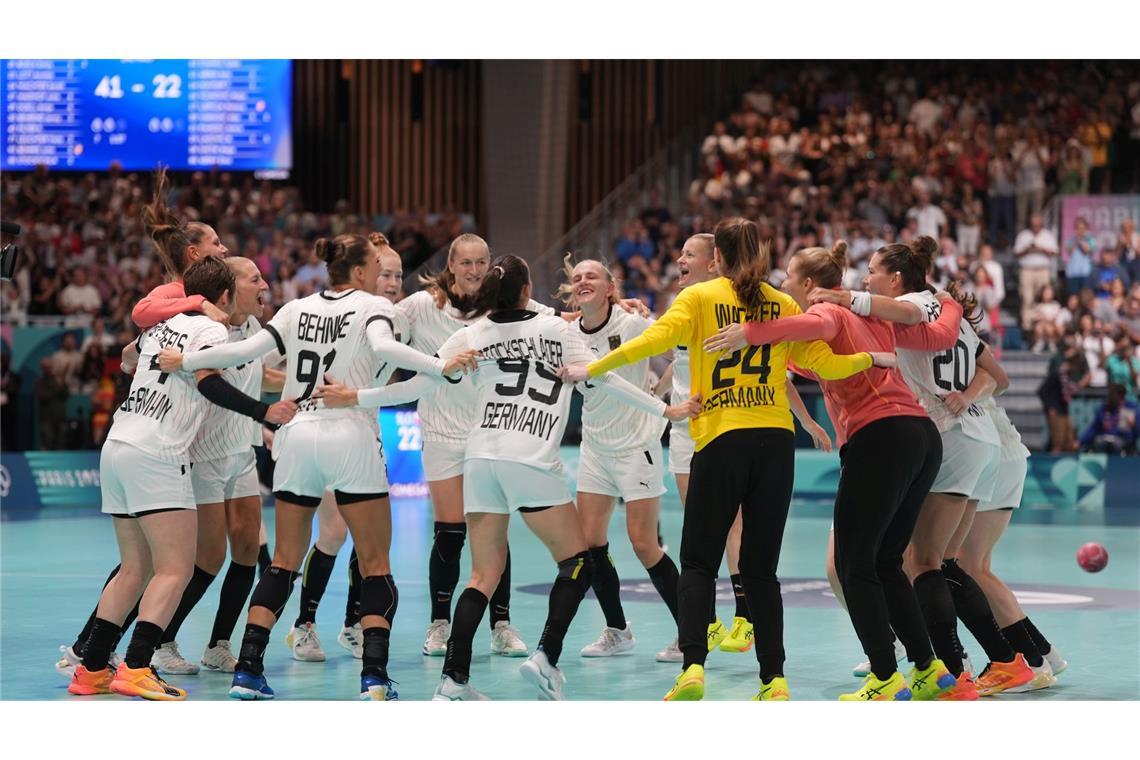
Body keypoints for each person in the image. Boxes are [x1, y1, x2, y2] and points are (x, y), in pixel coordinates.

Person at [315, 255, 697, 700]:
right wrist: (664, 409)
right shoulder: (559, 331)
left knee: (481, 575)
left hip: (479, 459)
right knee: (576, 562)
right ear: (527, 289)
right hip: (530, 455)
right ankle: (547, 657)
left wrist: (355, 397)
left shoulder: (472, 334)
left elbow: (418, 384)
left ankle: (453, 680)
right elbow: (605, 378)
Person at [562, 217, 891, 701]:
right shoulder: (780, 303)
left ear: (716, 259)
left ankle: (693, 668)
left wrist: (593, 366)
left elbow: (649, 343)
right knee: (761, 570)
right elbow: (825, 364)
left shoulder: (698, 298)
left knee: (698, 562)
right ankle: (774, 680)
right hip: (776, 444)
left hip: (721, 438)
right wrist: (872, 359)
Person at [159, 233, 479, 700]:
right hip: (349, 431)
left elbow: (241, 353)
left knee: (284, 561)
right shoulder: (374, 307)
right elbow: (387, 352)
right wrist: (440, 364)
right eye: (375, 263)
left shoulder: (294, 308)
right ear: (359, 270)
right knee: (376, 564)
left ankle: (248, 669)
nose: (382, 272)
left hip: (297, 434)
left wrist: (186, 360)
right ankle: (374, 676)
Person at [705, 239, 967, 700]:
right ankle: (929, 669)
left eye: (787, 276)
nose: (782, 283)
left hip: (879, 437)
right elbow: (936, 336)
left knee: (853, 564)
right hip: (920, 437)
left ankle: (885, 677)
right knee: (886, 562)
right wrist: (948, 304)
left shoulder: (826, 311)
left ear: (807, 284)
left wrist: (749, 332)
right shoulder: (873, 318)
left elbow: (807, 325)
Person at [813, 236, 1035, 697]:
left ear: (895, 278)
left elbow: (908, 317)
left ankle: (953, 669)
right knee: (944, 562)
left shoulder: (908, 304)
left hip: (941, 435)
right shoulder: (945, 306)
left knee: (919, 561)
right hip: (977, 437)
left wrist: (840, 298)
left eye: (873, 270)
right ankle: (1009, 658)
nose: (866, 276)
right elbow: (997, 374)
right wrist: (968, 395)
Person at [66, 257, 239, 700]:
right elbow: (207, 381)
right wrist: (262, 413)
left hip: (119, 442)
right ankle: (138, 666)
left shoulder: (158, 327)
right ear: (223, 297)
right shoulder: (212, 329)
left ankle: (91, 669)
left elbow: (126, 359)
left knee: (134, 568)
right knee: (175, 568)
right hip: (159, 452)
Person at [285, 234, 407, 662]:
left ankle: (355, 624)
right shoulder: (340, 312)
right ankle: (304, 625)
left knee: (368, 543)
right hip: (327, 432)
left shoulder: (395, 314)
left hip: (364, 436)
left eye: (397, 274)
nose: (390, 281)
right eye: (384, 272)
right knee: (335, 532)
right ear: (363, 272)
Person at [556, 255, 682, 662]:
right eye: (577, 278)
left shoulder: (631, 324)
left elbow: (678, 348)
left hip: (636, 445)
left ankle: (691, 632)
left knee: (645, 544)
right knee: (591, 544)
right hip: (595, 447)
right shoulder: (567, 332)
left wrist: (660, 396)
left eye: (592, 276)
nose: (583, 281)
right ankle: (617, 629)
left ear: (610, 288)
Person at [1014, 213, 1059, 329]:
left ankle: (1042, 326)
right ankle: (1027, 326)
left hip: (1042, 270)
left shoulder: (1047, 235)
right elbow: (1016, 253)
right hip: (1027, 270)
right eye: (1034, 225)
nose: (1036, 228)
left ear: (1041, 224)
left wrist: (1041, 249)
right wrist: (1028, 249)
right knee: (1027, 298)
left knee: (1044, 298)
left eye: (1038, 225)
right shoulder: (1023, 235)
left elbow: (1054, 252)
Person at [1079, 383, 1139, 454]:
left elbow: (1137, 432)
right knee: (1098, 442)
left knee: (1116, 445)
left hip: (1123, 440)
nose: (1110, 398)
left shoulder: (1132, 408)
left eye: (1113, 395)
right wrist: (1080, 441)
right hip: (1105, 438)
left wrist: (1134, 425)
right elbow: (1094, 428)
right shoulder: (1104, 408)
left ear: (1121, 396)